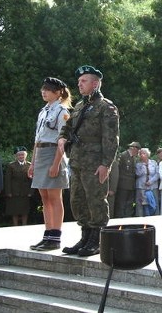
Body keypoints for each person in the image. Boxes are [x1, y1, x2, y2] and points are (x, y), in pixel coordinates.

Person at [59, 65, 119, 257]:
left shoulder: (106, 107)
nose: (79, 85)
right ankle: (85, 237)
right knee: (77, 200)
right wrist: (62, 137)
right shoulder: (78, 106)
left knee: (96, 200)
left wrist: (106, 164)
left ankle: (97, 239)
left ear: (95, 83)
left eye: (83, 81)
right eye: (78, 82)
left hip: (94, 163)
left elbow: (111, 139)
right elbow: (68, 128)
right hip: (76, 161)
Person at [28, 77, 72, 251]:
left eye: (48, 89)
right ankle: (47, 235)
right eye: (43, 89)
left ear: (58, 92)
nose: (43, 92)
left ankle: (55, 237)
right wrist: (32, 162)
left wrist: (56, 164)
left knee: (54, 197)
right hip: (41, 153)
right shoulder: (43, 111)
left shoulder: (62, 111)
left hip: (54, 153)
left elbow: (63, 140)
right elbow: (37, 140)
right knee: (44, 197)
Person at [4, 146, 33, 226]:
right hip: (14, 192)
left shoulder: (29, 165)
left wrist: (31, 191)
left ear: (25, 156)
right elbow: (7, 180)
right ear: (16, 156)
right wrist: (8, 192)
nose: (21, 156)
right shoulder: (11, 166)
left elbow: (32, 180)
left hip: (25, 192)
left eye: (22, 155)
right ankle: (15, 225)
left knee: (25, 210)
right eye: (19, 155)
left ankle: (24, 225)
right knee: (14, 211)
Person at [114, 141, 141, 218]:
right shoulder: (123, 156)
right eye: (138, 150)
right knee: (121, 204)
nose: (138, 152)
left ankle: (127, 219)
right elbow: (117, 170)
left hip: (131, 185)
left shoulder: (134, 158)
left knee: (129, 204)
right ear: (134, 149)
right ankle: (119, 219)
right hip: (122, 185)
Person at [135, 147, 159, 216]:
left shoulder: (153, 163)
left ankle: (155, 218)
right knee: (140, 204)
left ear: (148, 154)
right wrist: (143, 165)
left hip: (153, 186)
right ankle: (140, 220)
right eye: (141, 153)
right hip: (141, 187)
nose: (142, 155)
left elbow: (157, 174)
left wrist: (150, 181)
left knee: (154, 203)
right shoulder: (138, 164)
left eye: (144, 153)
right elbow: (138, 174)